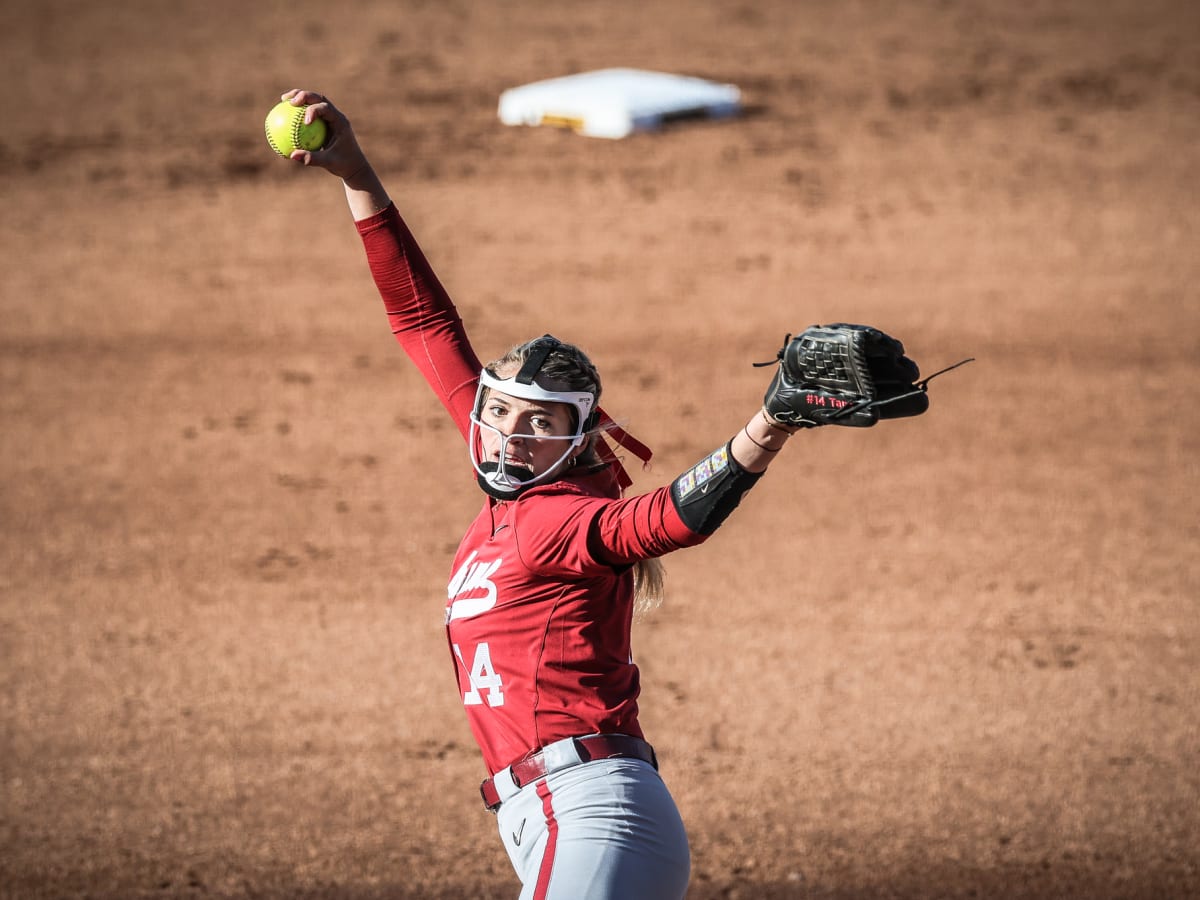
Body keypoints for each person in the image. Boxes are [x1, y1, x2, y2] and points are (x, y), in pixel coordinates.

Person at [273, 89, 924, 900]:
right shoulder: (510, 490)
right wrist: (355, 172)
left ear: (578, 438)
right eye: (500, 415)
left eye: (540, 425)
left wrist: (770, 424)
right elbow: (421, 320)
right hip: (552, 816)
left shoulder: (559, 520)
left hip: (591, 813)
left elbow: (669, 521)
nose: (512, 437)